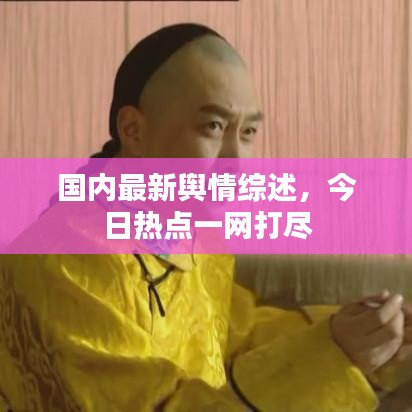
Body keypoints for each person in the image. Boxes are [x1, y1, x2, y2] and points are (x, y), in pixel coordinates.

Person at [0, 23, 411, 412]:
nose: (237, 163)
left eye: (247, 132)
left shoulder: (191, 231)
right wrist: (329, 355)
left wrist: (364, 336)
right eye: (213, 126)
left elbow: (233, 338)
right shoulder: (64, 262)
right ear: (133, 129)